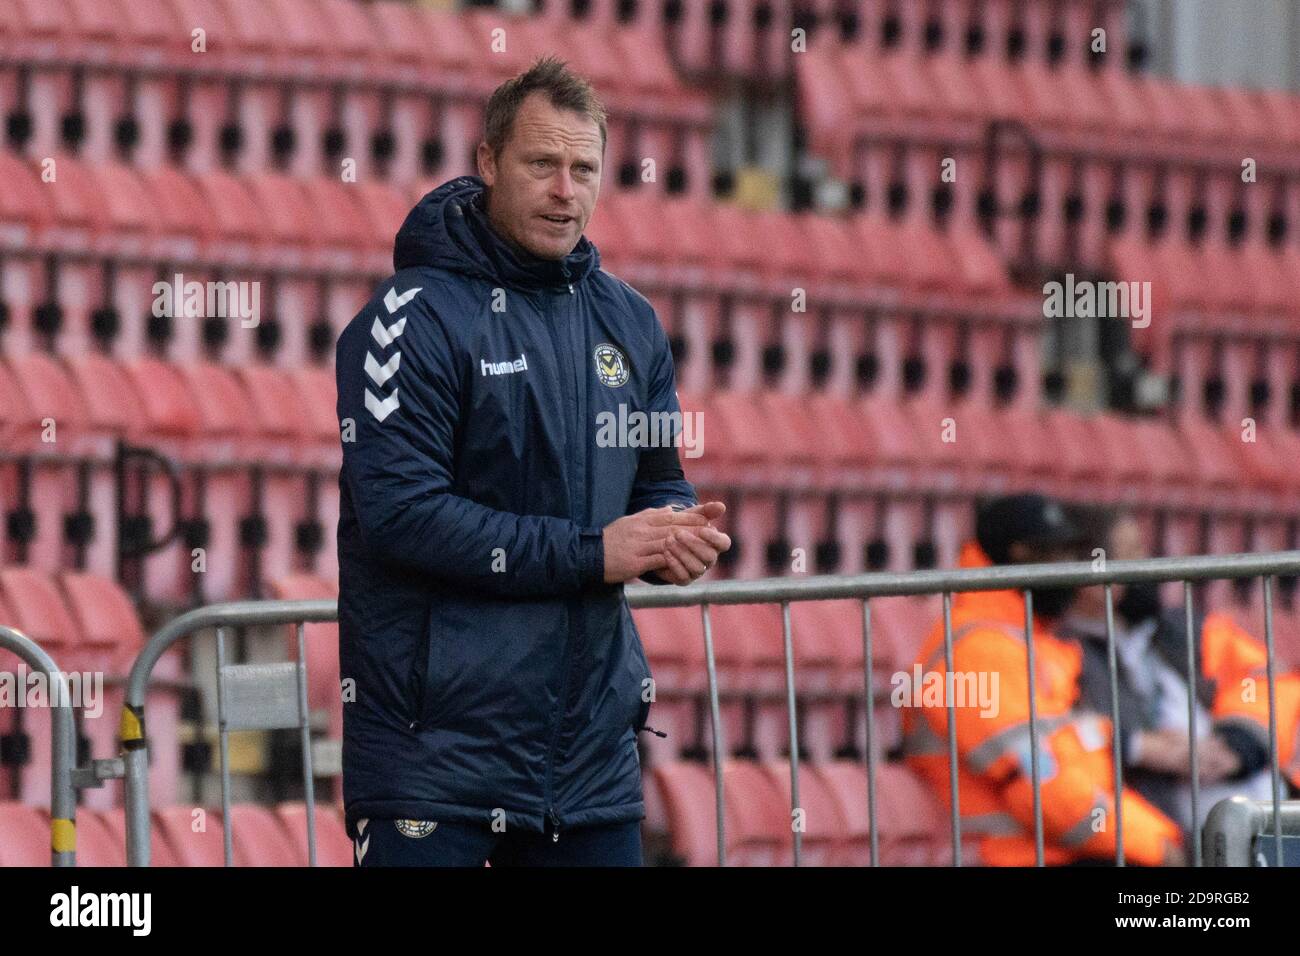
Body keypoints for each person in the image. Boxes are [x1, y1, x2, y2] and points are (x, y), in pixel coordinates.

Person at [334, 57, 731, 866]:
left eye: (584, 169)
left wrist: (672, 537)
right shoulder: (410, 320)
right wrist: (596, 553)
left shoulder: (631, 321)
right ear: (487, 163)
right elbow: (400, 515)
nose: (565, 189)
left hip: (586, 764)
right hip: (433, 763)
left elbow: (657, 477)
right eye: (541, 164)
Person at [900, 493, 1186, 866]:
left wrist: (1161, 838)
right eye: (1058, 554)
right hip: (1009, 857)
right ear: (1019, 555)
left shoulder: (1031, 643)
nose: (1070, 569)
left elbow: (1078, 776)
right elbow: (1042, 784)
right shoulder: (977, 651)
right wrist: (1157, 847)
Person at [1059, 506, 1300, 845]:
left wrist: (1238, 743)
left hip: (1262, 812)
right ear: (1089, 580)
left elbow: (1264, 678)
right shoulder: (1059, 649)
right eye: (1130, 553)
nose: (1146, 563)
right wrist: (1138, 747)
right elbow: (1051, 734)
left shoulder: (1181, 628)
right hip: (1164, 835)